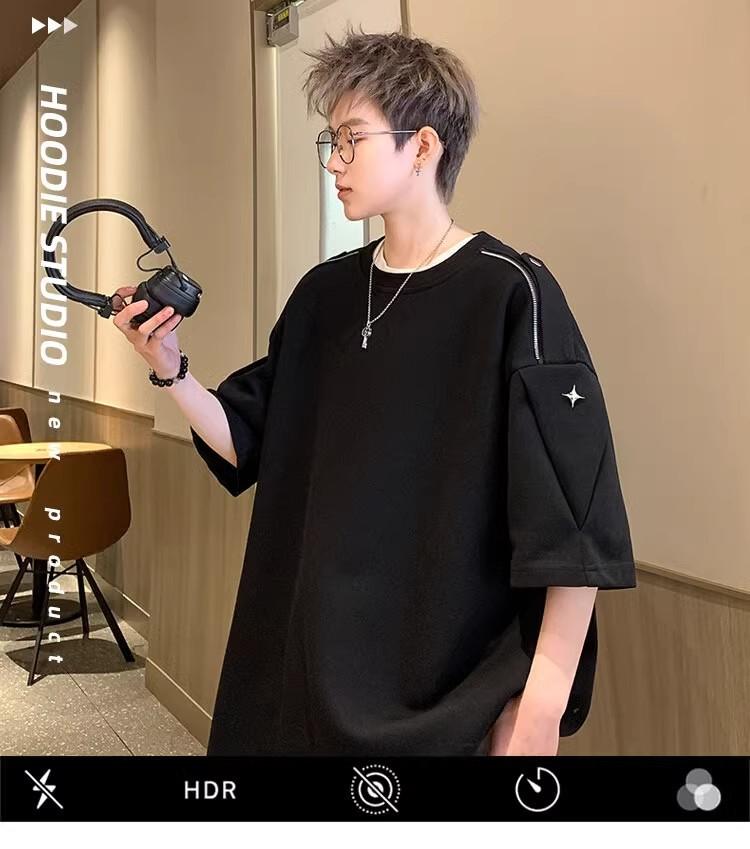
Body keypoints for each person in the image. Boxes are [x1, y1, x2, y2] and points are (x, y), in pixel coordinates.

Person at [113, 25, 636, 756]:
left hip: (445, 696)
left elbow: (574, 521)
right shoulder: (324, 294)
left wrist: (543, 706)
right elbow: (250, 438)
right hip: (301, 665)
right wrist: (170, 368)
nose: (335, 161)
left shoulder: (511, 293)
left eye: (352, 138)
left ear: (423, 146)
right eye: (331, 141)